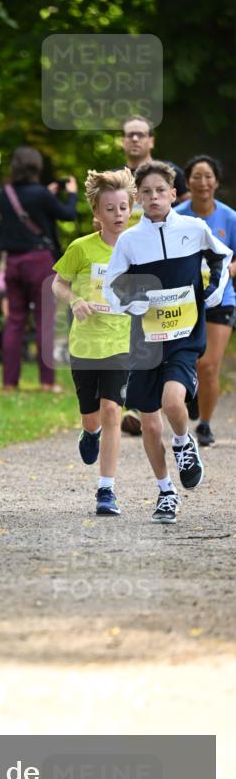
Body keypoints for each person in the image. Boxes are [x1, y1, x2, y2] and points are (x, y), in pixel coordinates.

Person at [103, 161, 232, 523]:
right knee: (149, 422)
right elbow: (113, 284)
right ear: (138, 198)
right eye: (146, 192)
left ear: (174, 194)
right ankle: (165, 492)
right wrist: (134, 303)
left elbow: (221, 257)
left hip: (185, 334)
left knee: (173, 400)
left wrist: (210, 294)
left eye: (161, 190)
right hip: (145, 339)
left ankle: (183, 443)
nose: (154, 197)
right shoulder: (130, 241)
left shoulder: (194, 228)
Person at [52, 169, 136, 516]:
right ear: (96, 215)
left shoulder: (138, 247)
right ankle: (89, 434)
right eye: (110, 209)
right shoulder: (81, 248)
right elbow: (58, 284)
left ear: (131, 209)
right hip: (85, 345)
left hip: (120, 342)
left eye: (123, 208)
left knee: (113, 410)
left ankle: (106, 490)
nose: (118, 215)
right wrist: (75, 301)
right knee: (92, 417)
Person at [116, 115, 190, 436]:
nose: (134, 140)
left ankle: (176, 391)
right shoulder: (116, 178)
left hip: (168, 263)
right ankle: (141, 404)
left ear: (151, 140)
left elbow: (186, 211)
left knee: (170, 328)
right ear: (122, 140)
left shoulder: (169, 173)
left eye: (140, 135)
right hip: (129, 264)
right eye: (129, 135)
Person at [0, 146, 78, 392]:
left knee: (14, 321)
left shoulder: (5, 193)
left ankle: (9, 383)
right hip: (39, 262)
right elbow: (68, 215)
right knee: (45, 321)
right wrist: (71, 194)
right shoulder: (42, 195)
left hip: (12, 262)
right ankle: (46, 382)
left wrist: (48, 195)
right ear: (37, 167)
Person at [175, 154, 236, 444]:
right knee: (186, 361)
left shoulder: (229, 217)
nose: (203, 182)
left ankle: (205, 424)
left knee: (209, 364)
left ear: (217, 181)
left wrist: (223, 269)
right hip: (183, 298)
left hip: (221, 297)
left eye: (208, 176)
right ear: (187, 182)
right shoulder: (176, 215)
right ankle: (191, 395)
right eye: (196, 177)